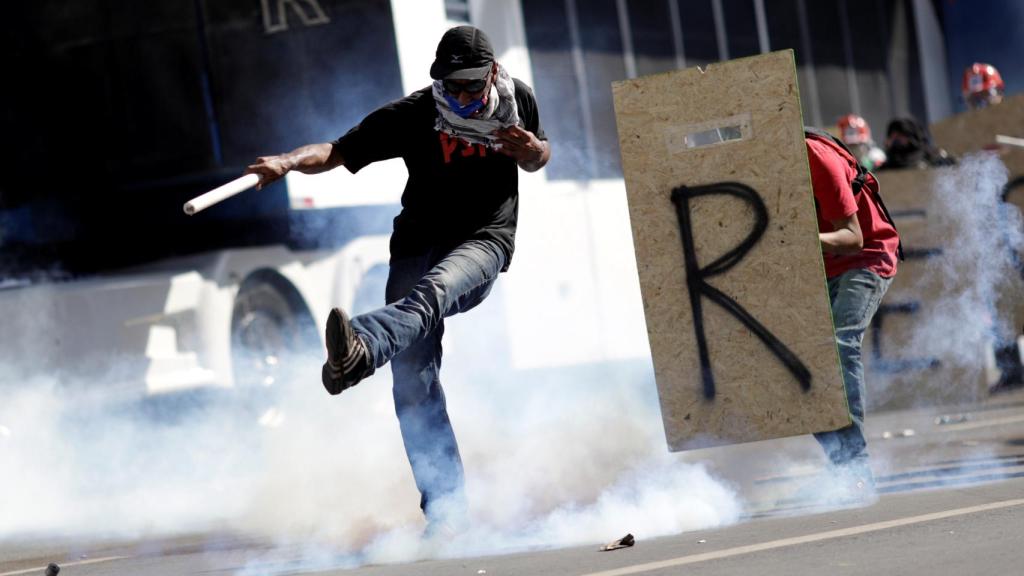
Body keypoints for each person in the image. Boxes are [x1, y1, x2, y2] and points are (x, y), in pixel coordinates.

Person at [246, 25, 550, 530]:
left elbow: (541, 155)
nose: (463, 96)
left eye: (472, 86)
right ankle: (447, 513)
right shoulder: (416, 114)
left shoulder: (519, 101)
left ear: (493, 73)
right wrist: (286, 162)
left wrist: (528, 152)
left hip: (484, 241)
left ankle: (362, 344)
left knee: (432, 291)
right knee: (412, 384)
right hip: (416, 244)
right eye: (453, 86)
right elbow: (337, 150)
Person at [805, 130, 900, 499]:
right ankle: (840, 464)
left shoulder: (817, 157)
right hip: (822, 266)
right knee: (802, 364)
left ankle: (855, 465)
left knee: (838, 344)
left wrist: (802, 237)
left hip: (866, 258)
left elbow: (853, 237)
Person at [879, 117, 955, 170]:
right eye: (892, 137)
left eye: (899, 136)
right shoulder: (886, 168)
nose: (895, 140)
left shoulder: (934, 160)